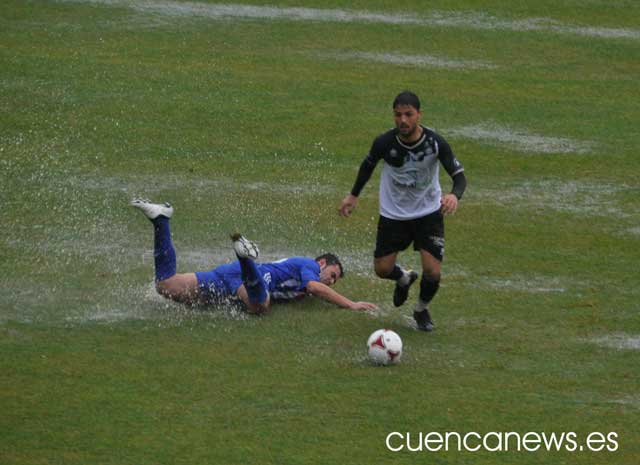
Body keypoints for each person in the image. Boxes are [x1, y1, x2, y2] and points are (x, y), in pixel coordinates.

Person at [339, 91, 467, 331]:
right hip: (393, 215)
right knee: (382, 269)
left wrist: (453, 195)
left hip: (428, 213)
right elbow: (367, 166)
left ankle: (420, 309)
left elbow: (459, 178)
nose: (403, 121)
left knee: (433, 271)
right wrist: (353, 195)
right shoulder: (384, 143)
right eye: (398, 115)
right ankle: (403, 277)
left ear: (419, 114)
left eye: (408, 115)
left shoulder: (435, 143)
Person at [131, 199, 377, 314]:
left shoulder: (305, 276)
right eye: (333, 275)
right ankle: (244, 257)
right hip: (253, 277)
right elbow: (314, 287)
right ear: (322, 262)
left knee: (166, 286)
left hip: (229, 276)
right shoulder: (308, 265)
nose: (331, 282)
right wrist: (351, 304)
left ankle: (161, 220)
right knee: (259, 306)